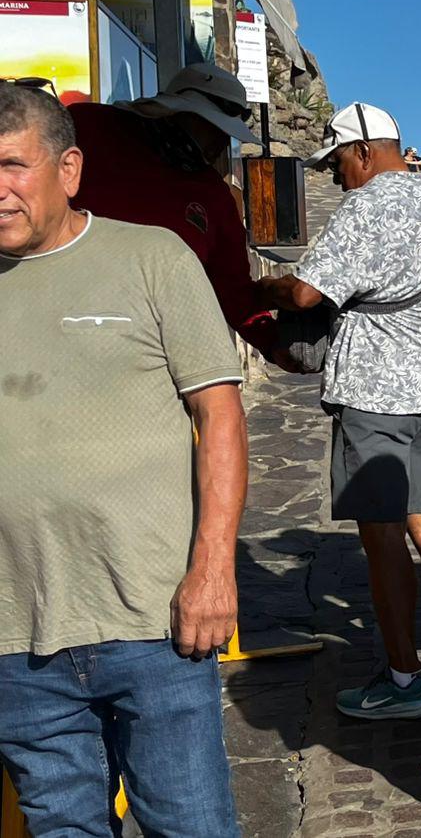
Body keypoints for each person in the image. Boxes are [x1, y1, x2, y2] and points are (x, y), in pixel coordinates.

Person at [0, 83, 248, 835]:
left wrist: (213, 569)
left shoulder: (151, 257)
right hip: (14, 638)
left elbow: (222, 416)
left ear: (69, 169)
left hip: (153, 619)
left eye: (13, 166)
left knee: (189, 826)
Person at [260, 103, 421, 719]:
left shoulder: (364, 208)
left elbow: (309, 292)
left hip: (375, 393)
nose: (337, 177)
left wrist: (268, 288)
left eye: (337, 164)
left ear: (362, 150)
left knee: (383, 540)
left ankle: (405, 678)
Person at [68, 62, 278, 355]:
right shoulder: (86, 127)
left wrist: (278, 342)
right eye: (214, 127)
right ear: (177, 113)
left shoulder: (213, 196)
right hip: (60, 322)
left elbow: (233, 292)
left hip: (150, 350)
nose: (222, 141)